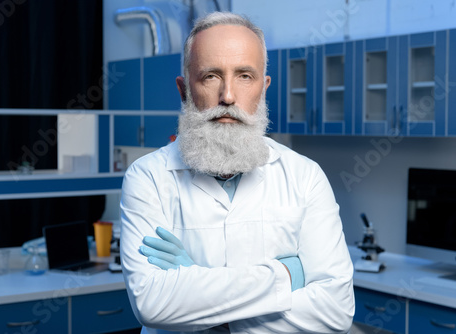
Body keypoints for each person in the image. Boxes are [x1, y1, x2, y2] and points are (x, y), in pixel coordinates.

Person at [120, 11, 355, 334]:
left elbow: (335, 312)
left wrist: (197, 284)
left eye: (245, 76)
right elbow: (152, 304)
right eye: (211, 76)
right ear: (184, 89)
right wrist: (286, 277)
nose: (228, 96)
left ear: (263, 87)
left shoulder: (305, 176)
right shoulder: (147, 177)